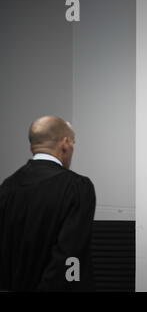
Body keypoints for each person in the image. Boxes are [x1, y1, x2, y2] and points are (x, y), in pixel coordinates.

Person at [0, 116, 96, 291]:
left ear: (32, 146)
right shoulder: (77, 187)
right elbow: (71, 255)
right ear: (65, 143)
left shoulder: (7, 186)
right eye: (73, 143)